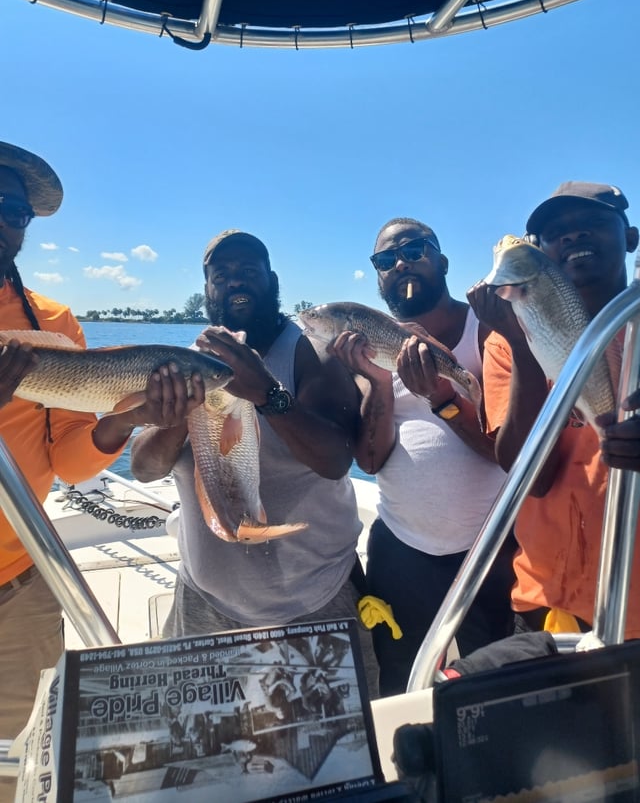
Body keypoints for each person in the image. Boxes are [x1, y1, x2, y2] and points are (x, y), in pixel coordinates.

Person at [0, 141, 182, 802]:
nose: (3, 219)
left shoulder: (51, 322)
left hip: (20, 587)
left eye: (14, 210)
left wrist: (124, 418)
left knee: (24, 768)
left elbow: (70, 463)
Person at [130, 229, 379, 697]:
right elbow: (144, 469)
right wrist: (179, 412)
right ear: (207, 290)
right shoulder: (188, 360)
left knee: (330, 753)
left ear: (272, 280)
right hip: (206, 602)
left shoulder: (311, 352)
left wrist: (265, 393)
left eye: (249, 271)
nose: (235, 281)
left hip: (315, 601)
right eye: (220, 275)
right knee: (203, 750)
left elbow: (335, 460)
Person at [330, 217, 516, 696]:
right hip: (403, 549)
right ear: (377, 277)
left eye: (415, 251)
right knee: (400, 682)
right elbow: (370, 461)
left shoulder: (488, 331)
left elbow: (508, 454)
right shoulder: (369, 341)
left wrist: (442, 397)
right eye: (386, 260)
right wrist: (374, 380)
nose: (400, 265)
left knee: (494, 682)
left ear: (443, 261)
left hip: (489, 549)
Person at [467, 181, 640, 636]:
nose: (573, 236)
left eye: (593, 224)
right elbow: (530, 479)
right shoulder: (505, 343)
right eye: (556, 233)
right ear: (541, 251)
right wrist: (524, 349)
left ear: (631, 238)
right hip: (544, 605)